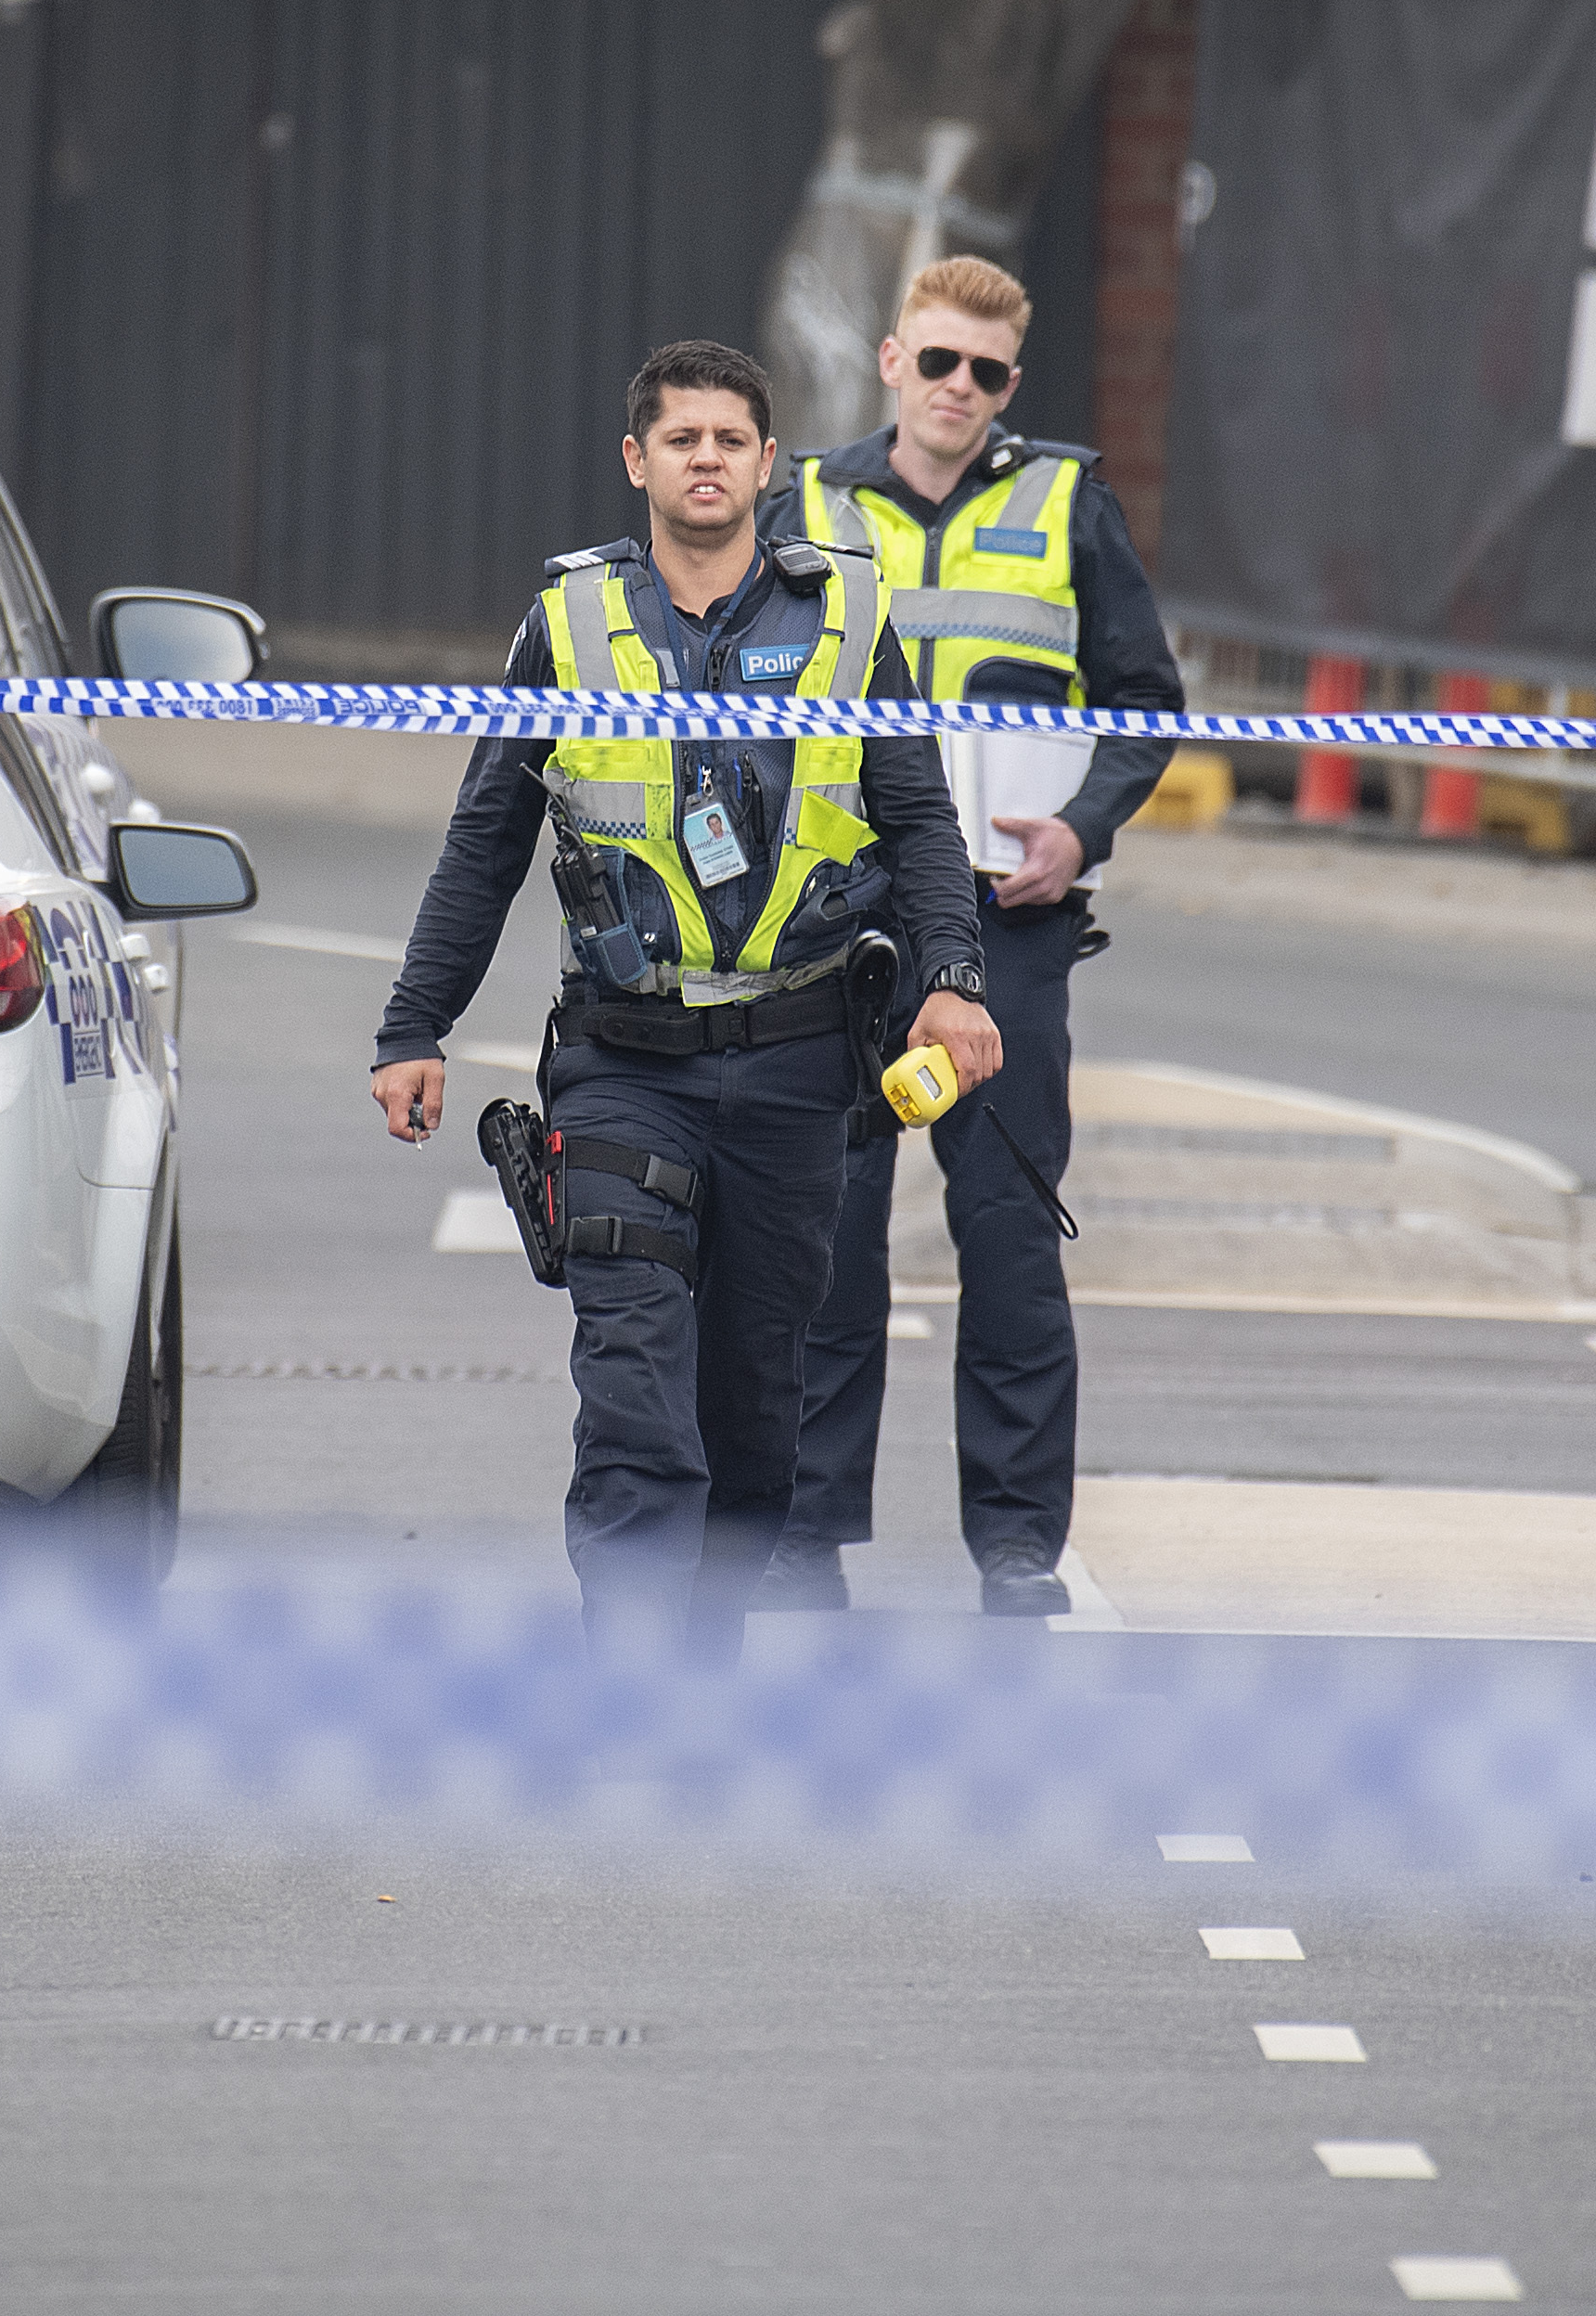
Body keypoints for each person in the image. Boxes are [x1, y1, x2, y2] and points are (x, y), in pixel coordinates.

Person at [368, 340, 1001, 1666]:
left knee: (752, 1401)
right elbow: (486, 837)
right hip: (621, 1062)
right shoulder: (571, 622)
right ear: (636, 462)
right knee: (635, 1384)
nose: (706, 459)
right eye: (681, 439)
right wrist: (411, 1028)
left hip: (793, 1063)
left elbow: (922, 825)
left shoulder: (848, 619)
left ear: (770, 466)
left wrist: (950, 984)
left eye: (730, 440)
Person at [755, 256, 1185, 1618]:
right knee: (823, 1230)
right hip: (836, 917)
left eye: (984, 372)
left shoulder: (1069, 502)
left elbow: (1143, 700)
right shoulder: (808, 504)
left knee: (1005, 1233)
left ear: (1013, 381)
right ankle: (806, 1532)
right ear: (891, 361)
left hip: (1009, 921)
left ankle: (1014, 1548)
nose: (957, 390)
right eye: (935, 362)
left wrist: (1086, 831)